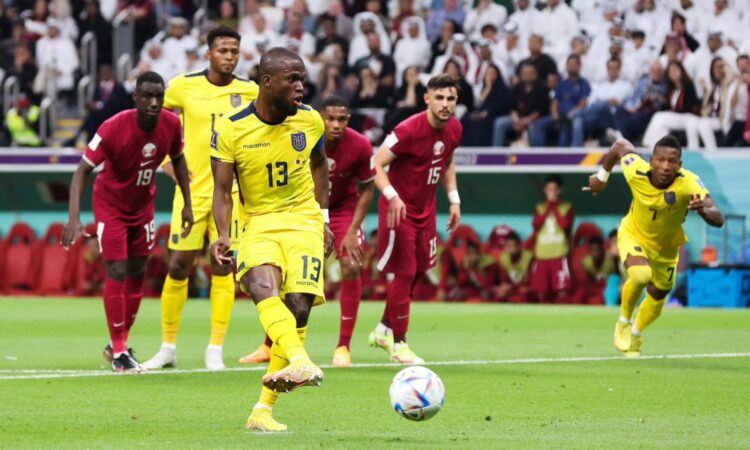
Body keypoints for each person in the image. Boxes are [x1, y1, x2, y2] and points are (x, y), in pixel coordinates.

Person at [210, 47, 333, 432]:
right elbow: (222, 189)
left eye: (302, 78)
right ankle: (300, 359)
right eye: (292, 79)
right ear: (266, 83)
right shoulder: (231, 128)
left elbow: (319, 166)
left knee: (298, 308)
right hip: (259, 221)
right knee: (262, 286)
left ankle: (262, 411)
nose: (301, 87)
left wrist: (325, 219)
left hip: (303, 221)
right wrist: (222, 235)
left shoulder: (310, 121)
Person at [142, 26, 259, 371]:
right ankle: (167, 348)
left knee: (223, 266)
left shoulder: (250, 91)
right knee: (178, 265)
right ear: (208, 53)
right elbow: (156, 121)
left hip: (231, 195)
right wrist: (166, 162)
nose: (229, 57)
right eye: (222, 50)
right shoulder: (182, 86)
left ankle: (215, 349)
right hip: (191, 194)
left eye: (234, 51)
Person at [61, 71, 192, 372]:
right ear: (136, 98)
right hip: (111, 207)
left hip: (142, 207)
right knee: (117, 269)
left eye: (159, 96)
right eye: (147, 96)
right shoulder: (112, 127)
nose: (155, 102)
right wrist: (73, 217)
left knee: (137, 272)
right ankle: (120, 352)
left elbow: (179, 160)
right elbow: (82, 171)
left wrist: (187, 202)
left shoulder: (172, 124)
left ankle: (117, 344)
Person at [240, 96, 375, 368]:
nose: (336, 125)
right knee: (284, 273)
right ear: (320, 116)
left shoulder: (360, 144)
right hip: (301, 210)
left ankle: (343, 347)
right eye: (331, 118)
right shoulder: (300, 132)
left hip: (341, 210)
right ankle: (269, 346)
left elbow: (368, 188)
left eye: (343, 119)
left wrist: (352, 230)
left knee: (350, 266)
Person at [583, 137, 724, 357]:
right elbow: (620, 145)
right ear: (651, 160)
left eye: (672, 161)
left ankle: (637, 334)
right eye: (660, 160)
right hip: (633, 235)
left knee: (658, 297)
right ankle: (623, 322)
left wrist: (703, 211)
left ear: (680, 164)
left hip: (667, 248)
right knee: (640, 275)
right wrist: (602, 178)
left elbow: (718, 217)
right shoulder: (635, 170)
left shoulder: (689, 182)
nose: (666, 166)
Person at [370, 74, 463, 364]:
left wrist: (454, 199)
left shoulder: (455, 128)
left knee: (421, 269)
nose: (445, 104)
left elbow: (446, 162)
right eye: (439, 97)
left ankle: (384, 328)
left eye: (450, 98)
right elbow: (376, 164)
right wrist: (391, 196)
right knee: (405, 273)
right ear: (427, 98)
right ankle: (399, 344)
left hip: (427, 210)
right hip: (400, 211)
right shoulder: (408, 129)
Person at [529, 175, 574, 303]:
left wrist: (554, 206)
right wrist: (549, 206)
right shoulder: (540, 208)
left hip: (559, 253)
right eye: (549, 189)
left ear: (560, 191)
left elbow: (565, 225)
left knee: (562, 291)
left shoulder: (567, 207)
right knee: (541, 292)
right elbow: (536, 225)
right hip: (542, 254)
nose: (552, 192)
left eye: (555, 189)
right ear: (545, 190)